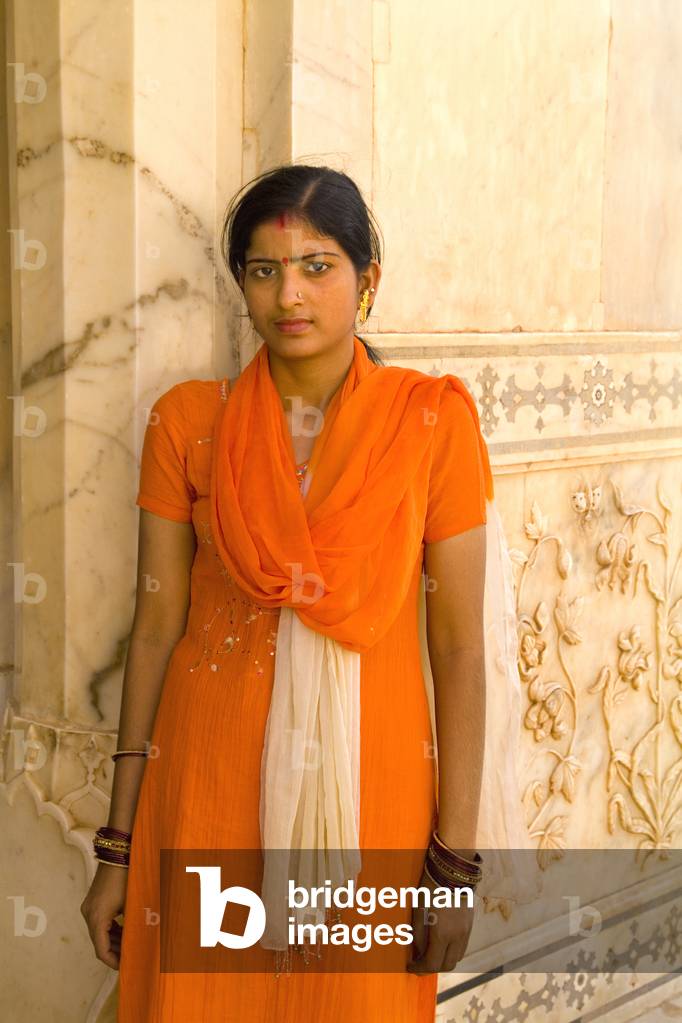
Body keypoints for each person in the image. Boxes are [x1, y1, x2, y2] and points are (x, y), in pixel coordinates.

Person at [80, 163, 510, 1022]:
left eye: (318, 266)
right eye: (264, 269)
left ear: (368, 280)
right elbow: (156, 629)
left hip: (374, 794)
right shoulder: (187, 423)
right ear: (241, 283)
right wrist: (118, 846)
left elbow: (461, 646)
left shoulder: (429, 424)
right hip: (206, 782)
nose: (289, 294)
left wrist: (454, 864)